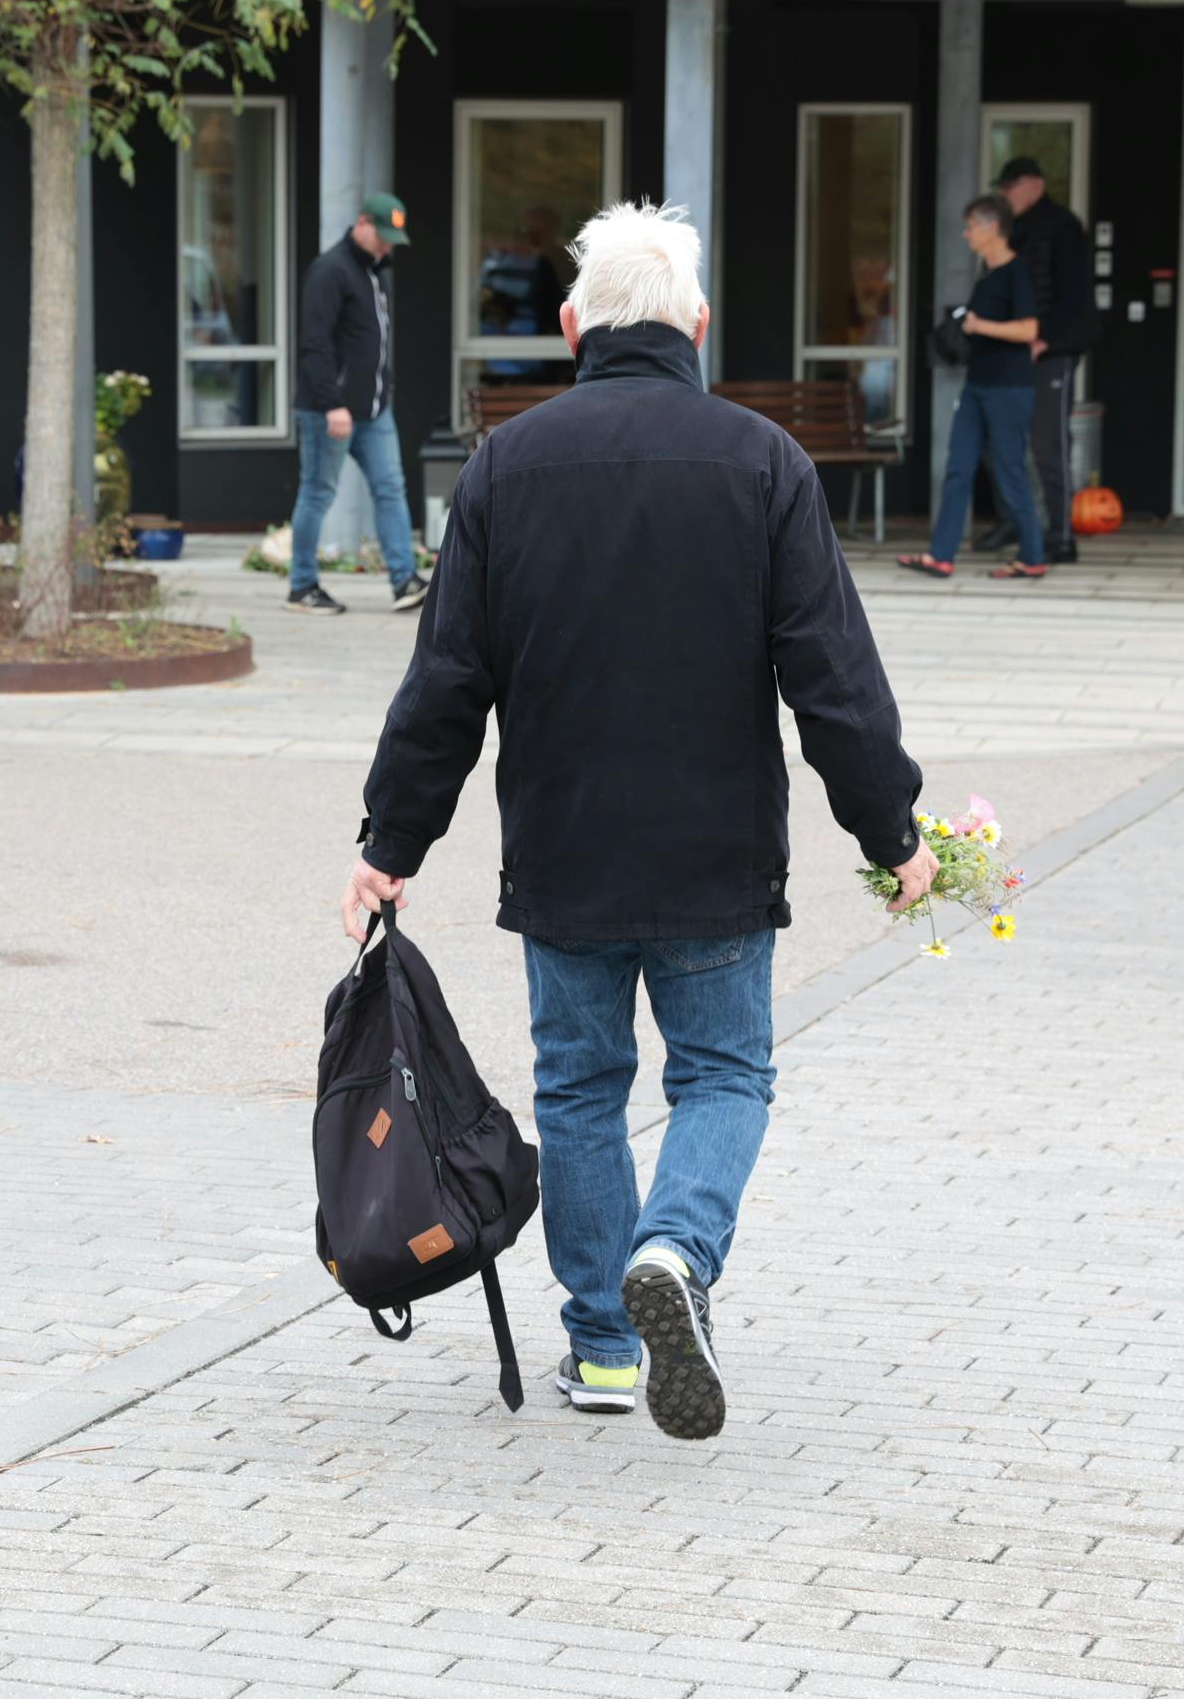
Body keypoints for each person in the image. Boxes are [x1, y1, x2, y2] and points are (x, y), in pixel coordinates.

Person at [334, 202, 937, 1440]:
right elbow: (834, 679)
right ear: (697, 325)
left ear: (572, 326)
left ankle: (607, 1347)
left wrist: (392, 842)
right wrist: (894, 832)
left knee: (581, 1088)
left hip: (565, 851)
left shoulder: (507, 466)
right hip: (719, 856)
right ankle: (677, 1249)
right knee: (724, 1072)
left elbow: (447, 682)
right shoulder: (765, 464)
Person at [289, 194, 430, 616]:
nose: (387, 247)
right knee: (317, 493)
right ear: (362, 223)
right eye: (382, 237)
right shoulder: (329, 271)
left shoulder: (374, 272)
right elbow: (314, 344)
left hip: (373, 410)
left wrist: (382, 390)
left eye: (392, 240)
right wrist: (333, 405)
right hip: (328, 411)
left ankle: (404, 580)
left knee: (391, 489)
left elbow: (375, 342)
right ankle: (302, 586)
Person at [898, 196, 1047, 582]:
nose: (966, 235)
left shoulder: (1017, 273)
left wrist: (980, 327)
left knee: (1010, 470)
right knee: (958, 468)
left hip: (1009, 389)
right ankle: (940, 556)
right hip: (977, 385)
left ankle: (1033, 556)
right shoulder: (987, 273)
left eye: (971, 227)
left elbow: (1029, 330)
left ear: (992, 227)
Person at [976, 156, 1098, 564]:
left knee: (1049, 445)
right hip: (1011, 355)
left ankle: (1061, 536)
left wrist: (1044, 338)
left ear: (1034, 184)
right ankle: (1014, 520)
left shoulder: (1064, 227)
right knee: (1000, 442)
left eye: (1010, 188)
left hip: (1052, 354)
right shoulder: (1012, 232)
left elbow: (1074, 295)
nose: (1004, 195)